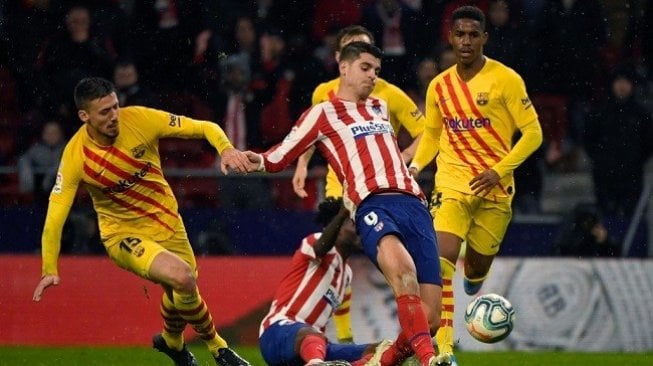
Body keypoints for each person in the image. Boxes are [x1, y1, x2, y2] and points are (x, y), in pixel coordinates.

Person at [243, 42, 443, 366]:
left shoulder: (380, 107)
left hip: (415, 204)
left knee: (431, 318)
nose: (372, 77)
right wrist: (256, 160)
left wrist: (409, 162)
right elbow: (282, 153)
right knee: (404, 273)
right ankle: (431, 360)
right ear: (344, 68)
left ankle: (382, 362)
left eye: (377, 71)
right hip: (374, 203)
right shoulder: (323, 113)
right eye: (366, 68)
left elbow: (415, 138)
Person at [31, 77, 252, 366]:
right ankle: (218, 348)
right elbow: (55, 213)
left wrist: (226, 148)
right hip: (122, 235)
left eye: (115, 107)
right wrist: (49, 266)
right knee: (183, 278)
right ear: (84, 116)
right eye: (104, 112)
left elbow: (204, 127)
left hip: (168, 222)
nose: (114, 117)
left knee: (181, 287)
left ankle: (172, 342)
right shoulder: (76, 155)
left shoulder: (141, 119)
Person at [408, 6, 543, 366]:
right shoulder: (439, 86)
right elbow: (433, 134)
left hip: (495, 191)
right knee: (441, 263)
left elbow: (534, 133)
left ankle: (476, 278)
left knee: (475, 267)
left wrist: (499, 170)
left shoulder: (506, 80)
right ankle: (446, 351)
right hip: (451, 184)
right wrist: (417, 165)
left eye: (473, 35)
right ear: (450, 38)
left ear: (484, 38)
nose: (465, 41)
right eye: (459, 34)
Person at [292, 25, 424, 214]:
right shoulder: (322, 92)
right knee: (338, 240)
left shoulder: (390, 93)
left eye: (365, 48)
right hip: (337, 187)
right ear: (340, 58)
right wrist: (302, 165)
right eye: (352, 49)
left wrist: (407, 156)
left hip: (378, 187)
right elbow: (312, 132)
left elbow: (427, 131)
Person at [259, 198, 387, 365]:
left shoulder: (347, 275)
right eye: (353, 223)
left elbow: (343, 322)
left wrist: (350, 349)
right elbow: (321, 247)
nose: (359, 229)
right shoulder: (315, 243)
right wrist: (343, 213)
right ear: (338, 227)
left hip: (314, 346)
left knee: (379, 350)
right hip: (276, 333)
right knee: (313, 335)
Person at [17, 120, 66, 205]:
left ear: (61, 134)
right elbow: (24, 159)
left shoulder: (69, 148)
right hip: (41, 195)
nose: (51, 135)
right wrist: (27, 174)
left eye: (54, 132)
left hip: (64, 192)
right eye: (48, 132)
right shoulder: (37, 149)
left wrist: (51, 175)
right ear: (43, 134)